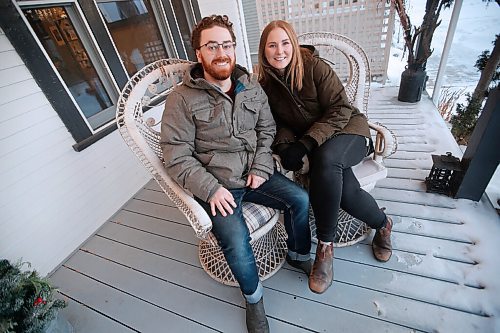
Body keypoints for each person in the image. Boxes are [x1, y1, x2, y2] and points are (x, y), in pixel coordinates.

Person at [160, 15, 312, 333]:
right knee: (234, 238)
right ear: (199, 53)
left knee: (299, 198)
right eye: (212, 46)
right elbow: (176, 155)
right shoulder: (181, 99)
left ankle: (298, 254)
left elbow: (266, 128)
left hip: (254, 173)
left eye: (226, 44)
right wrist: (211, 189)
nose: (221, 52)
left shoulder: (250, 84)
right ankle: (254, 300)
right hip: (218, 184)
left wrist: (260, 167)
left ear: (234, 48)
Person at [257, 20, 393, 295]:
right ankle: (383, 224)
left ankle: (324, 247)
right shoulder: (265, 84)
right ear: (264, 51)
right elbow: (277, 123)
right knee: (345, 192)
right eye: (272, 45)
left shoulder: (314, 67)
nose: (279, 51)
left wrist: (306, 142)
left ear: (293, 45)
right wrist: (285, 146)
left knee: (326, 159)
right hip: (321, 145)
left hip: (349, 131)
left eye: (285, 43)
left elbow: (340, 109)